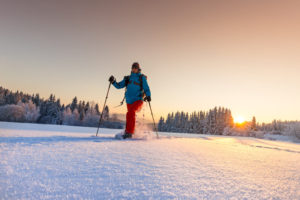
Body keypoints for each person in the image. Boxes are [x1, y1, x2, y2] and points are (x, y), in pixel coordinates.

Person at [109, 62, 151, 139]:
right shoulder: (128, 78)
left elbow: (146, 88)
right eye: (133, 67)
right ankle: (129, 131)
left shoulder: (142, 78)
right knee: (129, 114)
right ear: (131, 68)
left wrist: (148, 96)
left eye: (136, 67)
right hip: (129, 101)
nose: (134, 69)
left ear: (138, 69)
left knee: (131, 112)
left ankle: (129, 133)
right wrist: (113, 82)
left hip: (138, 100)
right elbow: (119, 86)